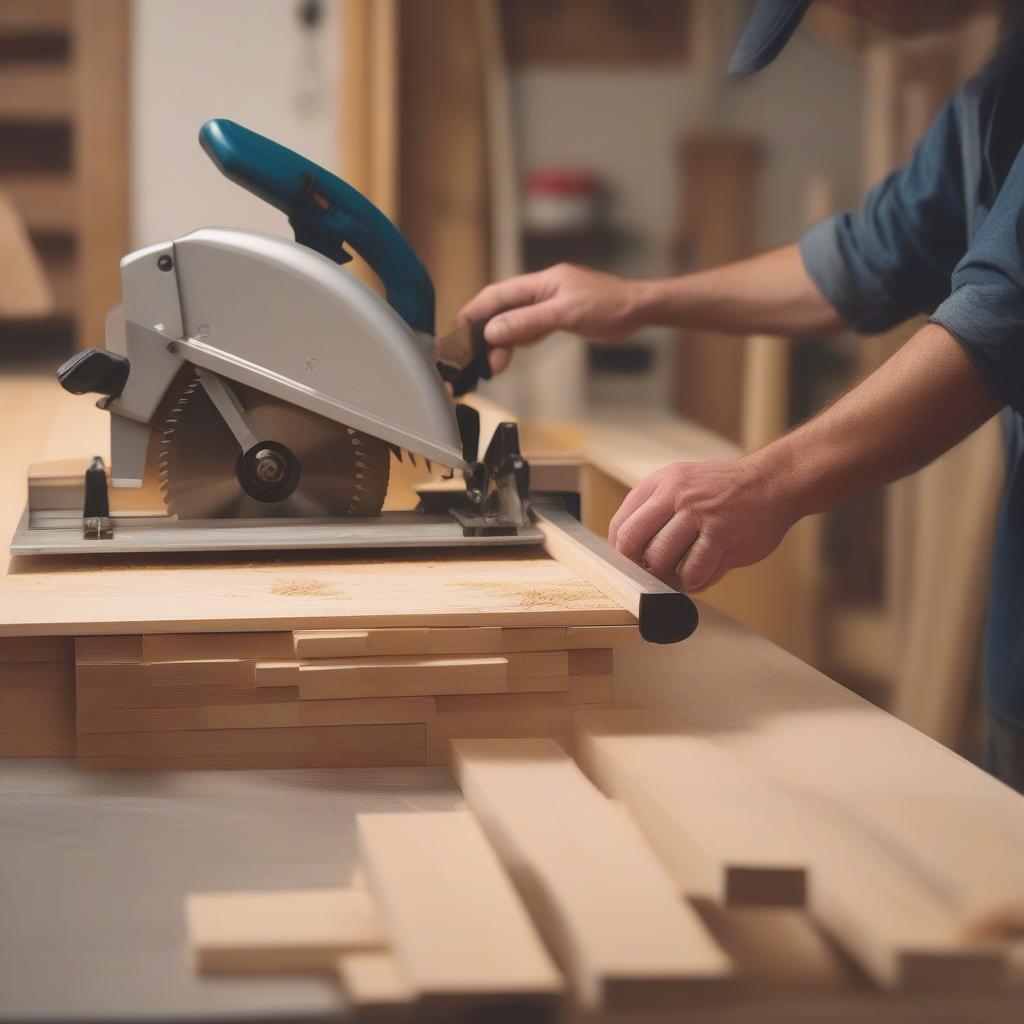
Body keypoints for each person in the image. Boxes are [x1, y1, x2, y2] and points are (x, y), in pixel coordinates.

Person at [458, 1, 1024, 790]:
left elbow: (1001, 323)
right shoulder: (1002, 83)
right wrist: (635, 300)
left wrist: (767, 483)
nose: (850, 17)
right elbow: (868, 257)